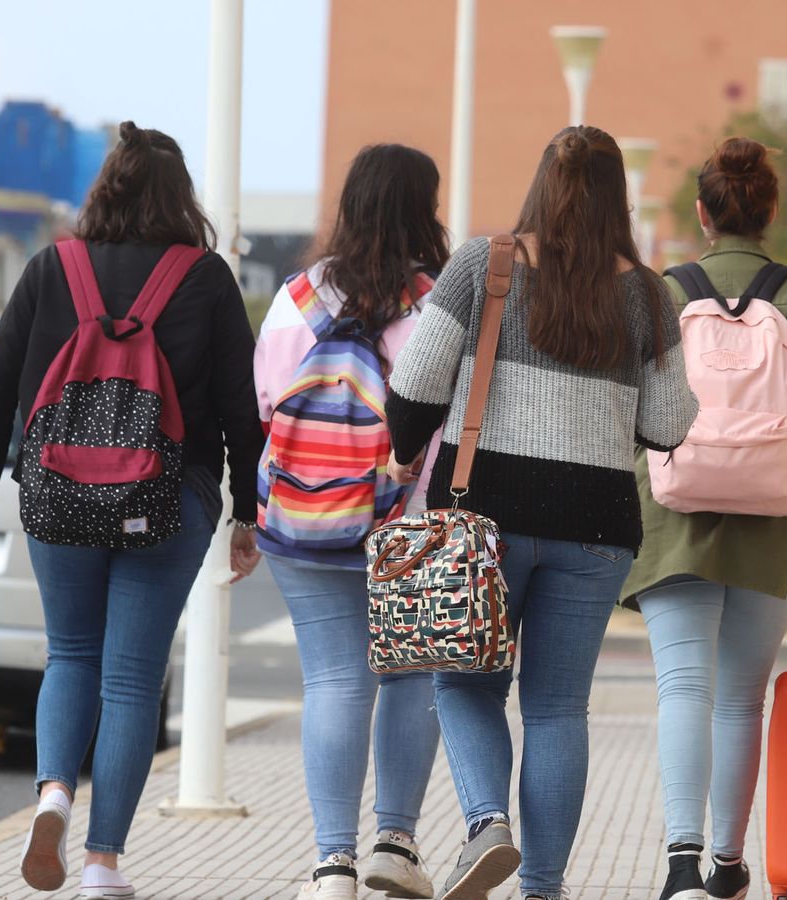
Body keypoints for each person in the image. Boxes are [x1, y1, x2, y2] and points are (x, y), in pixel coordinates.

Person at [383, 125, 699, 900]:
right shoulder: (649, 294)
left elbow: (415, 386)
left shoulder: (484, 265)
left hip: (480, 515)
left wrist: (403, 451)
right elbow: (670, 424)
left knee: (465, 685)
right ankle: (545, 889)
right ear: (616, 195)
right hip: (596, 527)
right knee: (559, 709)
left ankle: (488, 825)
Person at [0, 122, 266, 898]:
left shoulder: (50, 270)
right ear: (179, 198)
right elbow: (239, 410)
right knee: (130, 680)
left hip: (57, 494)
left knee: (71, 656)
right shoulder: (207, 279)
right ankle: (101, 865)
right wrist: (247, 514)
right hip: (169, 501)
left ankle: (53, 793)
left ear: (106, 188)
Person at [622, 137, 787, 900]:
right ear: (769, 213)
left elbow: (626, 405)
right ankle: (728, 865)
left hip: (670, 515)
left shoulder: (659, 296)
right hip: (773, 514)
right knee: (740, 696)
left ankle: (680, 865)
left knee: (683, 687)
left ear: (701, 212)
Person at [252, 143, 449, 899]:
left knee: (335, 682)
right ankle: (393, 844)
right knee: (412, 675)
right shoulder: (436, 307)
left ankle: (332, 863)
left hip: (304, 515)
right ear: (421, 211)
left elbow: (267, 406)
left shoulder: (296, 297)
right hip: (409, 517)